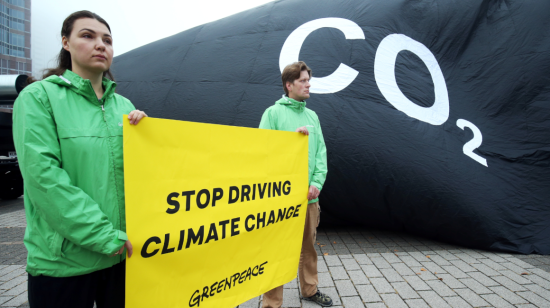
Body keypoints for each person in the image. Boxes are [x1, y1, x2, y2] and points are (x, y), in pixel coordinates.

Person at [12, 10, 147, 308]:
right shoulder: (38, 98)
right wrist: (104, 236)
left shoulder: (124, 106)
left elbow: (142, 177)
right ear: (66, 43)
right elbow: (44, 179)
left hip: (123, 256)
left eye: (107, 40)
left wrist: (152, 138)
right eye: (87, 36)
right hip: (65, 264)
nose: (101, 45)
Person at [259, 61, 332, 307]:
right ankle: (271, 303)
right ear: (289, 85)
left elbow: (321, 153)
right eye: (302, 81)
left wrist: (317, 182)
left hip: (309, 198)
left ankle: (309, 290)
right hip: (281, 200)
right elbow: (263, 153)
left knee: (308, 248)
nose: (308, 84)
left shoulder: (313, 116)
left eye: (308, 80)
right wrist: (291, 142)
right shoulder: (273, 114)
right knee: (277, 251)